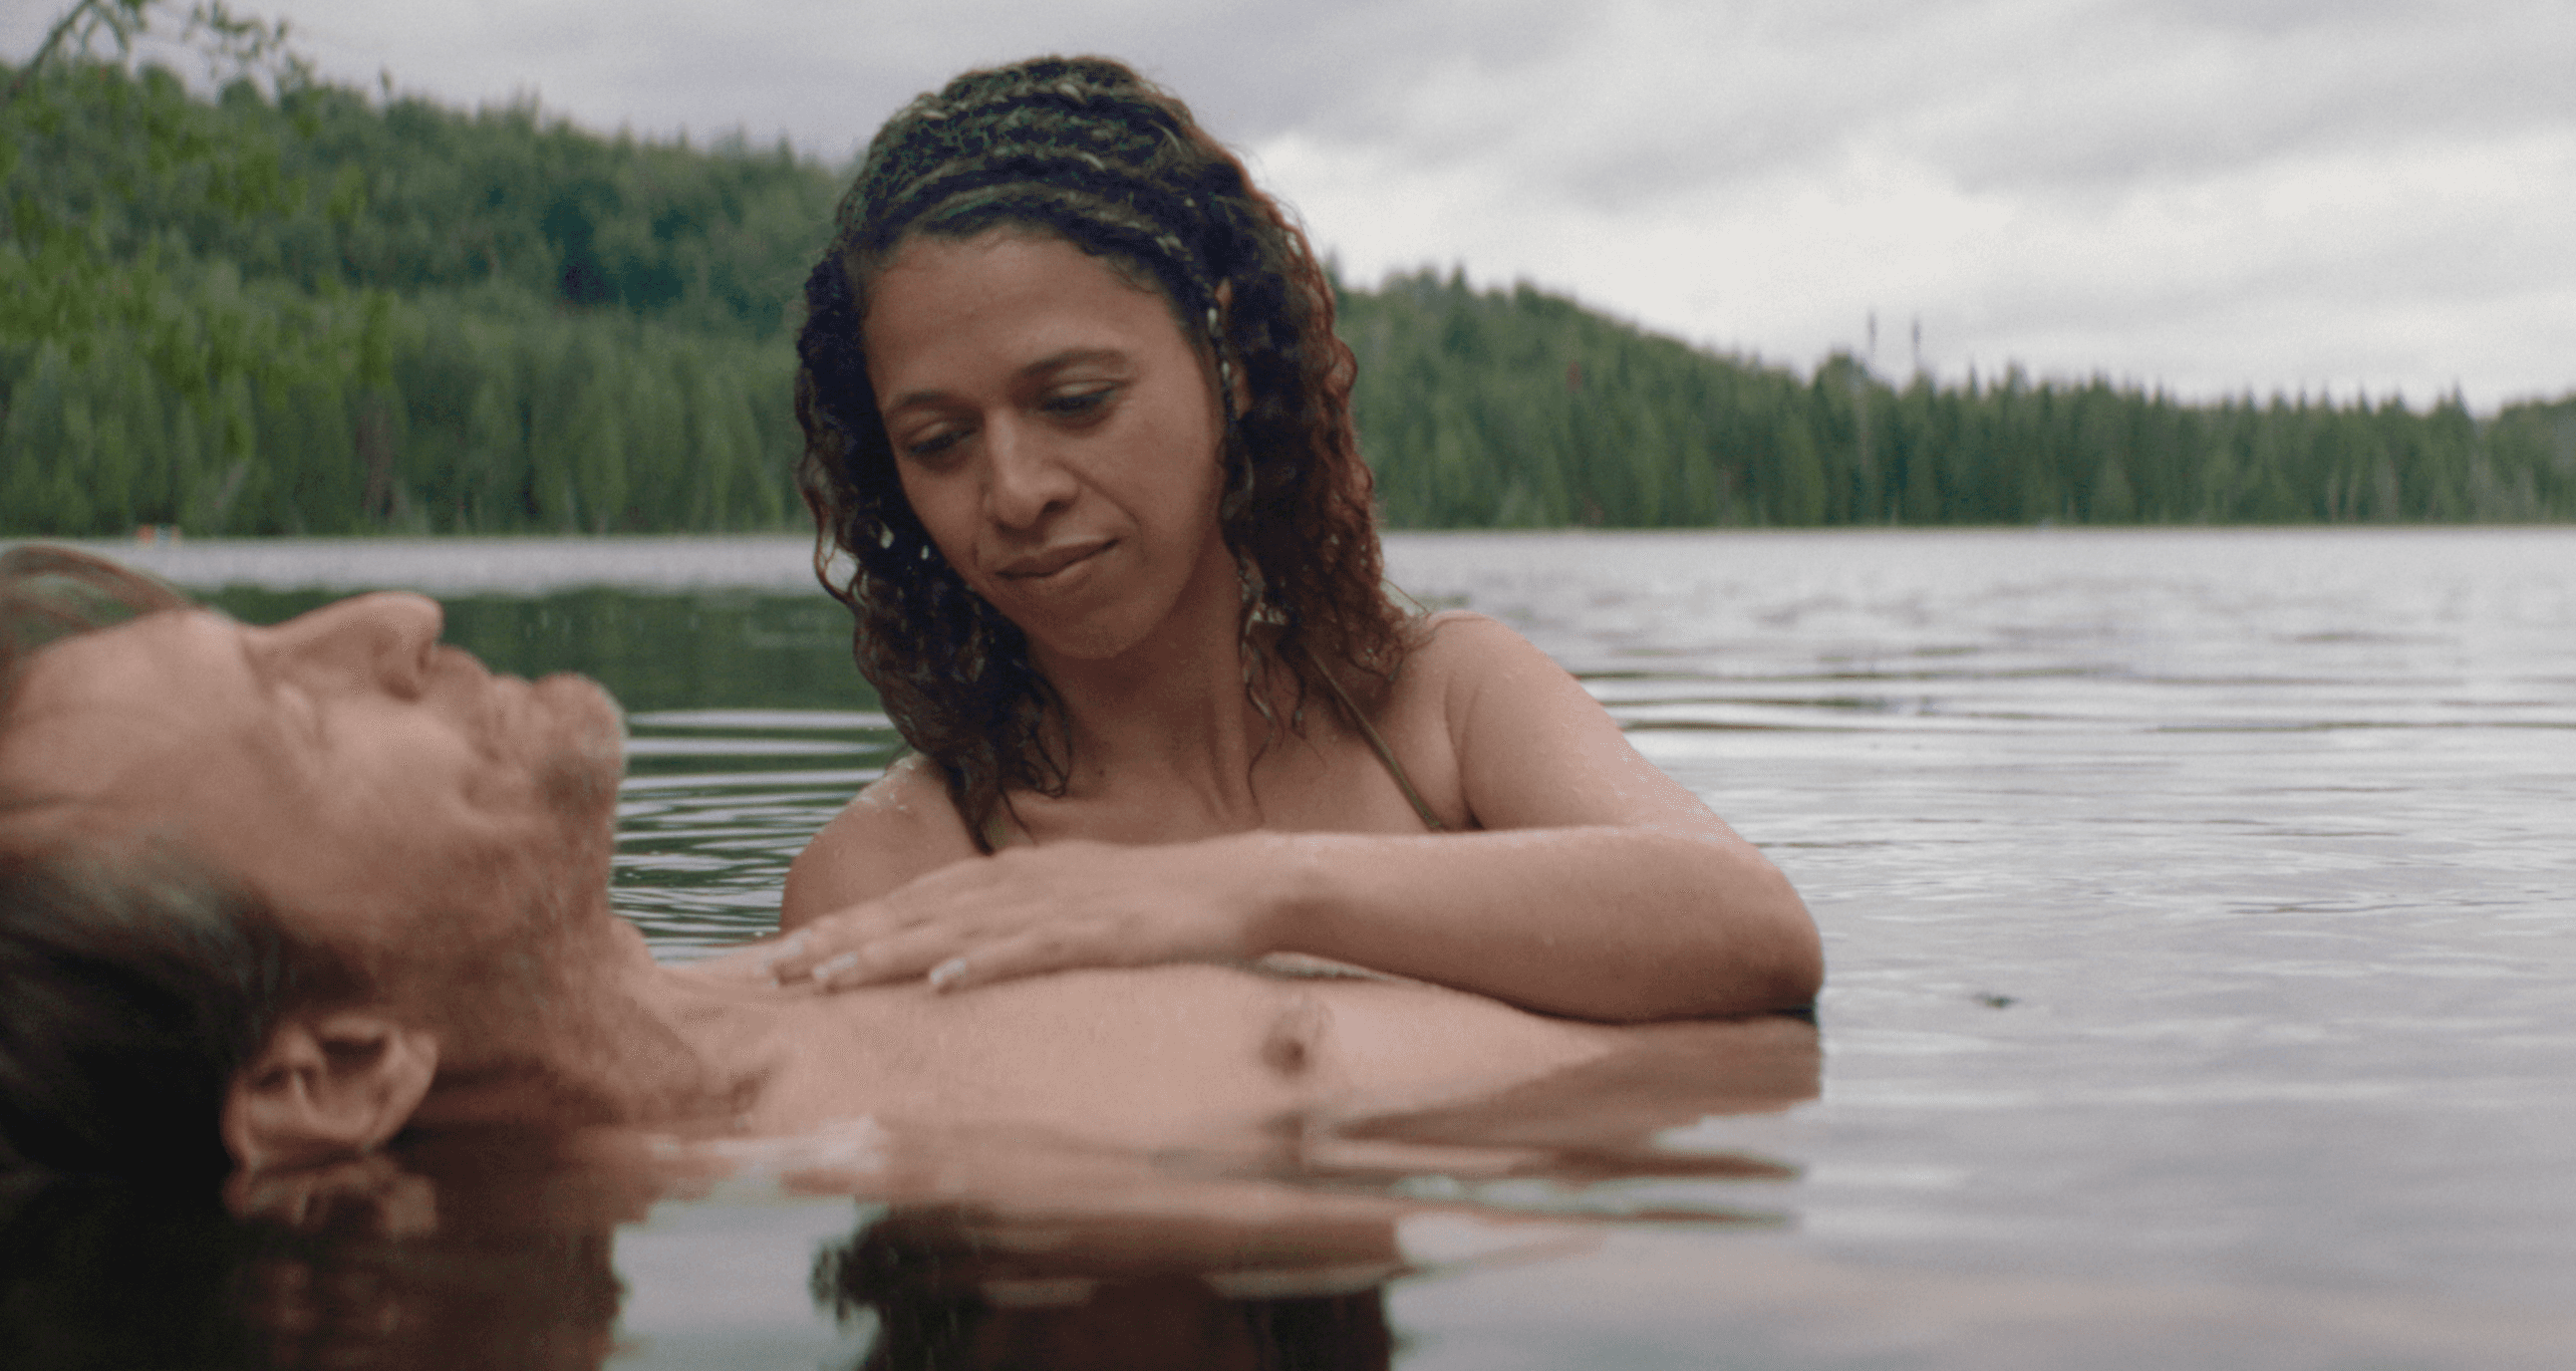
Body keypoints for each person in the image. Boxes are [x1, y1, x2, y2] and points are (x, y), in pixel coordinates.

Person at [0, 546, 1815, 1196]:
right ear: (334, 1064)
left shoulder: (820, 963)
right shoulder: (874, 1172)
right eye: (295, 707)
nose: (389, 612)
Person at [777, 56, 1821, 1019]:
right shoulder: (900, 870)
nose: (1011, 491)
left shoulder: (1444, 707)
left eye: (1076, 401)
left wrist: (1255, 887)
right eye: (939, 441)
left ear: (1224, 360)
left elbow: (1753, 929)